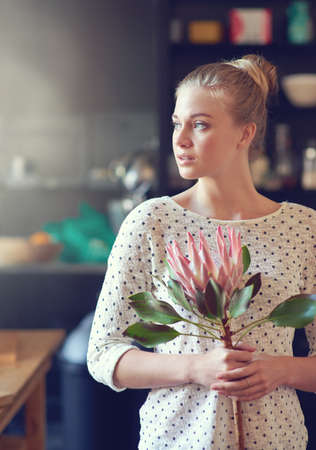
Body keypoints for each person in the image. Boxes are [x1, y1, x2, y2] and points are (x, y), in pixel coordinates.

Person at [87, 54, 316, 449]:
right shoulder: (151, 222)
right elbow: (103, 354)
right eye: (178, 123)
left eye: (200, 125)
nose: (180, 139)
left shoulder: (303, 228)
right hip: (175, 439)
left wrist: (281, 369)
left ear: (246, 133)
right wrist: (195, 367)